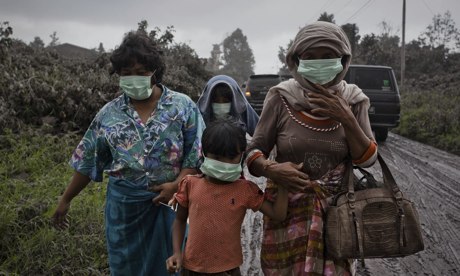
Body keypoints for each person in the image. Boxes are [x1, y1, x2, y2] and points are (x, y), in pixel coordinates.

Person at [51, 31, 204, 275]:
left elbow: (195, 155)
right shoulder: (108, 115)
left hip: (171, 208)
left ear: (155, 71)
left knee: (173, 266)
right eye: (126, 73)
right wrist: (66, 199)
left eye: (141, 72)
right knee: (125, 268)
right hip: (125, 211)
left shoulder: (182, 107)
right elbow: (88, 161)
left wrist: (176, 185)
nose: (134, 78)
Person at [245, 21, 378, 275]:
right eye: (310, 57)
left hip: (336, 218)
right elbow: (253, 152)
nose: (319, 63)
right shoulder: (280, 96)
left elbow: (368, 159)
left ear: (343, 60)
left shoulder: (354, 99)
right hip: (285, 215)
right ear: (296, 61)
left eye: (328, 56)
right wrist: (272, 169)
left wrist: (346, 118)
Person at [165, 120, 288, 275]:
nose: (224, 163)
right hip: (191, 268)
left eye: (231, 157)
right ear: (204, 153)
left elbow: (278, 214)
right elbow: (180, 220)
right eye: (217, 156)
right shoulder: (190, 184)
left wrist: (284, 182)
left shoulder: (246, 189)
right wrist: (177, 252)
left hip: (228, 270)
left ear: (241, 156)